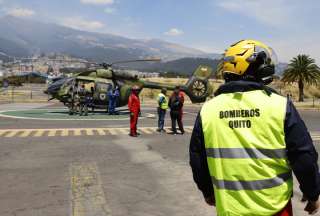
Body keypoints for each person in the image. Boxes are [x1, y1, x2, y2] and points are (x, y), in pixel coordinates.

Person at [189, 40, 320, 216]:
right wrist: (312, 194)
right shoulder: (280, 106)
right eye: (262, 64)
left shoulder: (208, 109)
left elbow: (198, 160)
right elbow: (304, 157)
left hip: (230, 210)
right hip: (275, 209)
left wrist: (207, 192)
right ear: (248, 67)